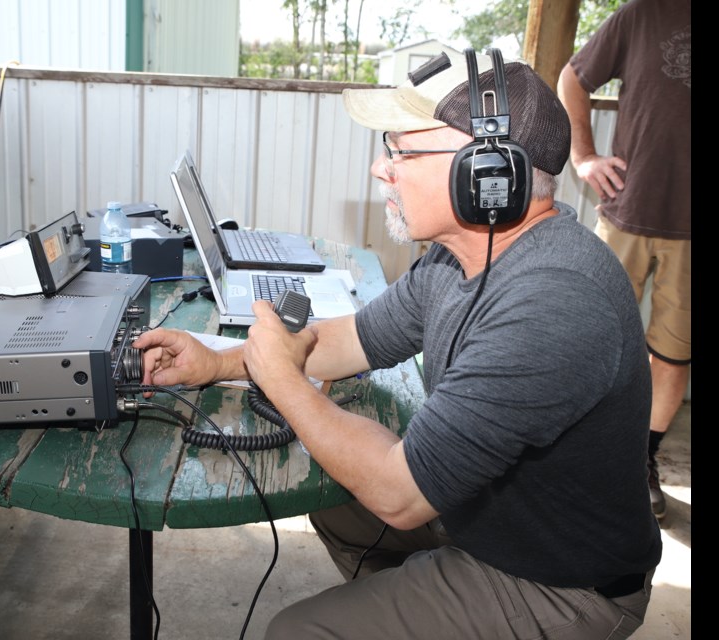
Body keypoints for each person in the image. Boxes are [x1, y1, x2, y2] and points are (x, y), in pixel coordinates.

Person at [134, 51, 662, 638]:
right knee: (333, 484)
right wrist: (218, 362)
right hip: (487, 520)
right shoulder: (458, 255)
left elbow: (398, 494)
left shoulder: (553, 304)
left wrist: (283, 383)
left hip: (558, 585)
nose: (380, 169)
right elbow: (353, 339)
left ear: (488, 174)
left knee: (298, 632)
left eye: (403, 152)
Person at [557, 0, 691, 521]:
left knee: (673, 359)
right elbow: (573, 77)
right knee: (587, 338)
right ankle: (570, 454)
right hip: (626, 213)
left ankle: (641, 461)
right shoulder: (640, 15)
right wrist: (584, 155)